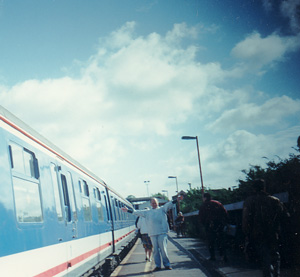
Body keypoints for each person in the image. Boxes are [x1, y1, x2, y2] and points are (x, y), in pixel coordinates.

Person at [122, 195, 183, 271]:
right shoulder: (147, 212)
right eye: (153, 203)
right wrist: (128, 210)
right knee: (156, 251)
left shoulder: (162, 209)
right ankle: (158, 265)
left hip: (162, 232)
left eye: (155, 202)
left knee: (163, 249)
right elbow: (136, 212)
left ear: (157, 203)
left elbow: (169, 204)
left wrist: (177, 200)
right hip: (152, 233)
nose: (154, 204)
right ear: (150, 204)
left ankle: (167, 264)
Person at [242, 179, 289, 277]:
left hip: (257, 234)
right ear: (264, 187)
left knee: (264, 258)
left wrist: (247, 234)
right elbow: (285, 216)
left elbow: (246, 220)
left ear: (254, 188)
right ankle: (276, 274)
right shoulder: (275, 200)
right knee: (275, 256)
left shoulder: (249, 201)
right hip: (272, 233)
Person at [198, 192, 228, 262]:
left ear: (205, 198)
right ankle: (223, 256)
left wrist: (204, 224)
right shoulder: (217, 203)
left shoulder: (203, 206)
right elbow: (225, 213)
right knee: (220, 240)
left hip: (209, 225)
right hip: (219, 224)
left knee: (211, 241)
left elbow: (201, 217)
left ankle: (213, 256)